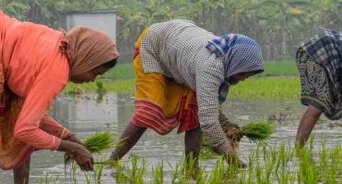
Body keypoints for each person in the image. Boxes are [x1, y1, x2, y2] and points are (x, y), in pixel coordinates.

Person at [0, 7, 119, 184]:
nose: (92, 79)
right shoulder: (57, 72)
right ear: (86, 58)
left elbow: (28, 119)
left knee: (16, 117)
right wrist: (71, 148)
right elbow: (26, 129)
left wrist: (69, 138)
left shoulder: (62, 45)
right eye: (95, 72)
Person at [108, 20, 264, 167]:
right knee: (149, 112)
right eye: (244, 74)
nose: (244, 79)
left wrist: (227, 126)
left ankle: (192, 170)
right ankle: (112, 162)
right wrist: (231, 158)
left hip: (180, 53)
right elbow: (209, 121)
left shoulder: (224, 56)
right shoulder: (210, 67)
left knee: (193, 114)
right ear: (236, 63)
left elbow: (207, 107)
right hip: (154, 45)